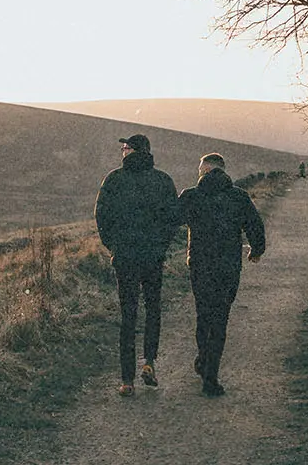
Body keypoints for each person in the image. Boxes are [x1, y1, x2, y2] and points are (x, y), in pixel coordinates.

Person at [94, 133, 178, 397]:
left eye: (125, 147)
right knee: (153, 309)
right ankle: (150, 362)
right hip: (152, 256)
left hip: (126, 256)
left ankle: (127, 380)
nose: (122, 151)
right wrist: (161, 246)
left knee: (128, 315)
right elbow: (172, 219)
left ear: (133, 151)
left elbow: (101, 214)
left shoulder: (114, 179)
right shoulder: (163, 180)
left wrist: (112, 245)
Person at [178, 152, 266, 396]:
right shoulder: (238, 197)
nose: (198, 171)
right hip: (228, 267)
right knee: (220, 320)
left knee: (203, 315)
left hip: (200, 266)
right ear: (224, 171)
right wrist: (256, 251)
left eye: (200, 168)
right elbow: (255, 226)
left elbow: (171, 220)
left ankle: (203, 359)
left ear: (206, 170)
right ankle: (211, 377)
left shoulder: (191, 196)